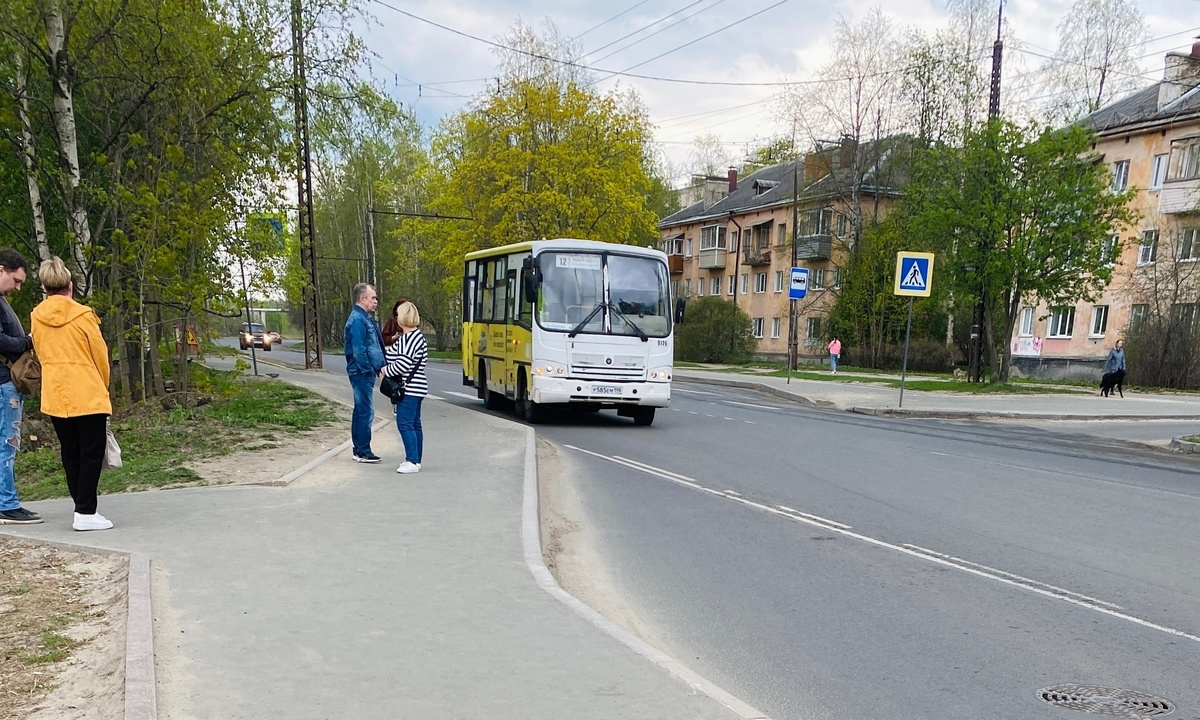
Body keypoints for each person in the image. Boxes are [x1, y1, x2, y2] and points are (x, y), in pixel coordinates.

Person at [30, 257, 113, 531]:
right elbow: (100, 355)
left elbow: (40, 353)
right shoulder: (83, 315)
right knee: (92, 451)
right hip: (86, 388)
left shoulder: (36, 317)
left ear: (45, 287)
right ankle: (86, 512)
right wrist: (103, 385)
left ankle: (80, 506)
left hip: (55, 391)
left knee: (70, 451)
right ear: (70, 286)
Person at [0, 249, 40, 525]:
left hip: (6, 382)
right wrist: (27, 341)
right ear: (1, 270)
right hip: (4, 383)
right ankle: (7, 503)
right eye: (16, 280)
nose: (18, 287)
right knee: (7, 443)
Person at [383, 301, 429, 474]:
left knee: (405, 424)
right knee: (415, 424)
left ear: (401, 319)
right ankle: (416, 459)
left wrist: (385, 370)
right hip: (417, 387)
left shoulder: (409, 339)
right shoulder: (415, 337)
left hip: (409, 388)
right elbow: (391, 354)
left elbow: (403, 363)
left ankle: (412, 460)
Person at [345, 283, 385, 463]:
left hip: (365, 371)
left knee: (361, 410)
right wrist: (369, 369)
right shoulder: (357, 320)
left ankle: (359, 448)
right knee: (365, 411)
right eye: (372, 298)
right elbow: (359, 350)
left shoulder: (366, 319)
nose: (375, 301)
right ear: (362, 299)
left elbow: (375, 346)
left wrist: (382, 365)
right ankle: (362, 450)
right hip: (361, 372)